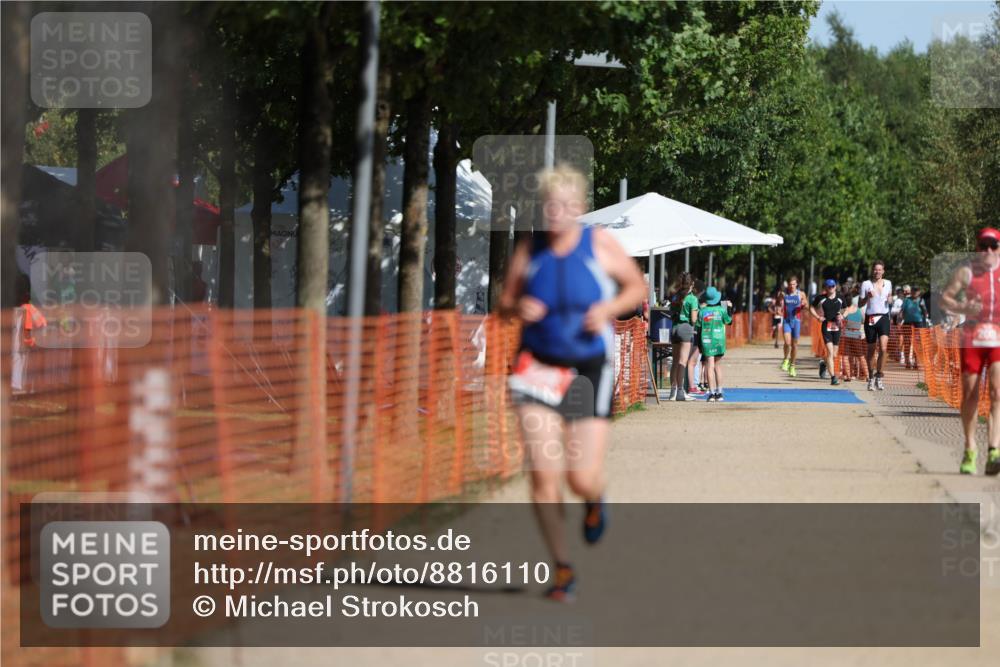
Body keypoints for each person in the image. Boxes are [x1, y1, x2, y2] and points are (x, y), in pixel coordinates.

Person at [500, 164, 647, 600]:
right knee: (543, 475)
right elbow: (505, 301)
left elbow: (637, 287)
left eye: (566, 205)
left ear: (580, 207)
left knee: (580, 477)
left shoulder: (599, 243)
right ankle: (562, 568)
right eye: (549, 204)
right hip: (537, 366)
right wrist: (517, 307)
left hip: (586, 368)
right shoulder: (531, 248)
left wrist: (607, 310)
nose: (557, 213)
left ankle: (593, 497)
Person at [939, 228, 1000, 476]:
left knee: (997, 393)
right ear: (977, 247)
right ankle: (970, 448)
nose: (987, 250)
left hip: (997, 337)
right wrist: (964, 306)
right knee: (971, 395)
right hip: (973, 339)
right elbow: (945, 299)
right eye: (983, 245)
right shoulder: (966, 272)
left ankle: (994, 450)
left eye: (992, 246)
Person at [810, 279, 854, 386]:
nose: (831, 288)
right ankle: (833, 378)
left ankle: (823, 363)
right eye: (829, 287)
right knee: (830, 352)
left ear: (835, 287)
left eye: (833, 286)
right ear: (825, 287)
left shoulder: (840, 297)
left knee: (834, 354)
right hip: (826, 326)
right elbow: (811, 307)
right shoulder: (821, 298)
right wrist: (818, 317)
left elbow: (847, 309)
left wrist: (843, 316)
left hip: (837, 327)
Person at [859, 261, 893, 391]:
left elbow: (889, 300)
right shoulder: (866, 284)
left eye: (879, 270)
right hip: (871, 318)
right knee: (871, 350)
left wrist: (890, 299)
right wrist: (867, 297)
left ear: (883, 271)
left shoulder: (888, 283)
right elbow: (860, 303)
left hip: (884, 317)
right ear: (872, 271)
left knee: (884, 348)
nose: (877, 272)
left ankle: (879, 375)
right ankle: (871, 377)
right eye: (875, 269)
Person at [667, 273, 701, 401]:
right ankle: (681, 392)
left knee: (675, 361)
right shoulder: (692, 299)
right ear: (692, 284)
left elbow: (670, 311)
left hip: (674, 328)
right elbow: (693, 319)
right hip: (686, 328)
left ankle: (672, 391)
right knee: (683, 361)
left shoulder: (676, 296)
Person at [697, 286, 733, 401]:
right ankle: (720, 393)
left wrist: (699, 345)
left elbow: (698, 327)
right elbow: (729, 321)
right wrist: (729, 309)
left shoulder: (702, 311)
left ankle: (711, 393)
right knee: (718, 366)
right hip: (719, 341)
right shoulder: (721, 310)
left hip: (706, 340)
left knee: (709, 365)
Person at [779, 277, 807, 377]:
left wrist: (803, 304)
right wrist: (779, 306)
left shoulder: (801, 294)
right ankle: (786, 359)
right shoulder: (784, 293)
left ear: (797, 285)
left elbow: (806, 305)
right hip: (786, 320)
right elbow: (780, 303)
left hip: (796, 321)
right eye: (790, 284)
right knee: (787, 342)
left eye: (793, 284)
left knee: (794, 345)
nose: (792, 286)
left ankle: (792, 365)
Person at [900, 285, 927, 369]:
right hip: (907, 323)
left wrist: (923, 308)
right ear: (911, 291)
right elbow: (901, 311)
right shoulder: (906, 300)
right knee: (907, 342)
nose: (915, 292)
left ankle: (916, 362)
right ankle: (907, 361)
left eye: (917, 291)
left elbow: (925, 313)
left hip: (918, 323)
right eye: (913, 290)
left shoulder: (921, 300)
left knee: (917, 343)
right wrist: (899, 319)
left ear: (919, 292)